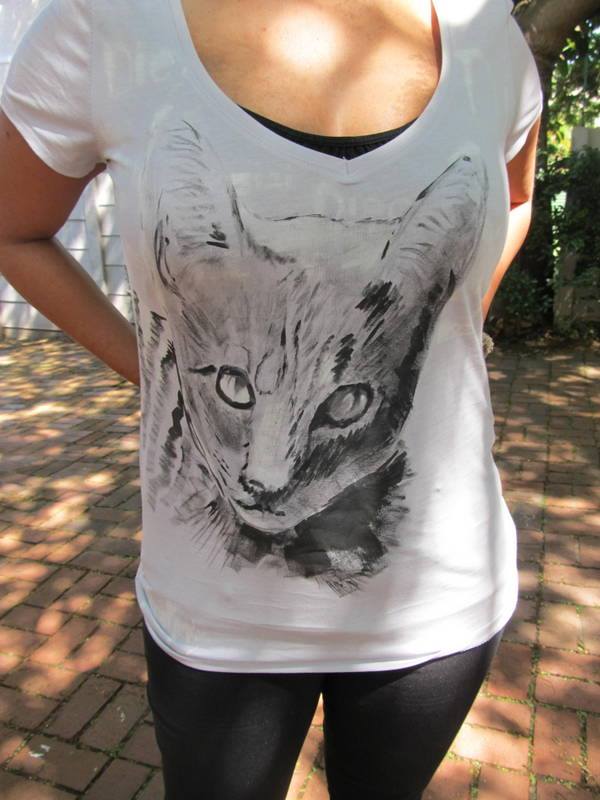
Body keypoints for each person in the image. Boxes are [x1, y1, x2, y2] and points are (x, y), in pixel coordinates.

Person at [0, 0, 542, 797]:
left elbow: (515, 200)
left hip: (436, 601)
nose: (268, 476)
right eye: (237, 391)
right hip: (216, 617)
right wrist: (156, 368)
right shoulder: (107, 20)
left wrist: (426, 330)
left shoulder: (484, 30)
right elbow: (14, 228)